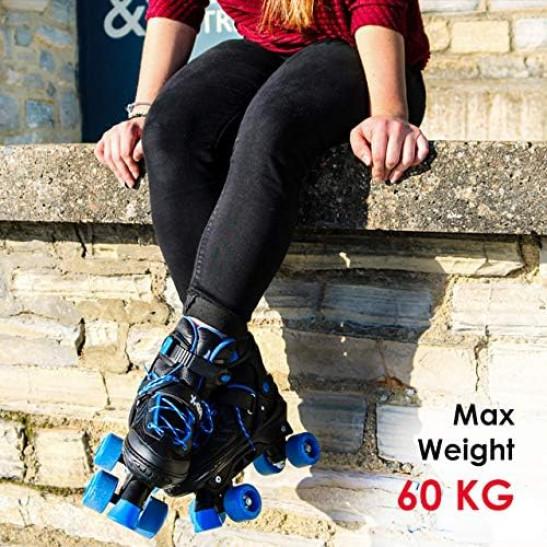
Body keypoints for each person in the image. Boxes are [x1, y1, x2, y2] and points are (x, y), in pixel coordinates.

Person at [92, 0, 430, 533]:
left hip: (364, 59)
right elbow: (174, 5)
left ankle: (193, 380)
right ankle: (238, 388)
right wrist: (142, 114)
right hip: (267, 55)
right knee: (170, 129)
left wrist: (390, 110)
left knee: (272, 122)